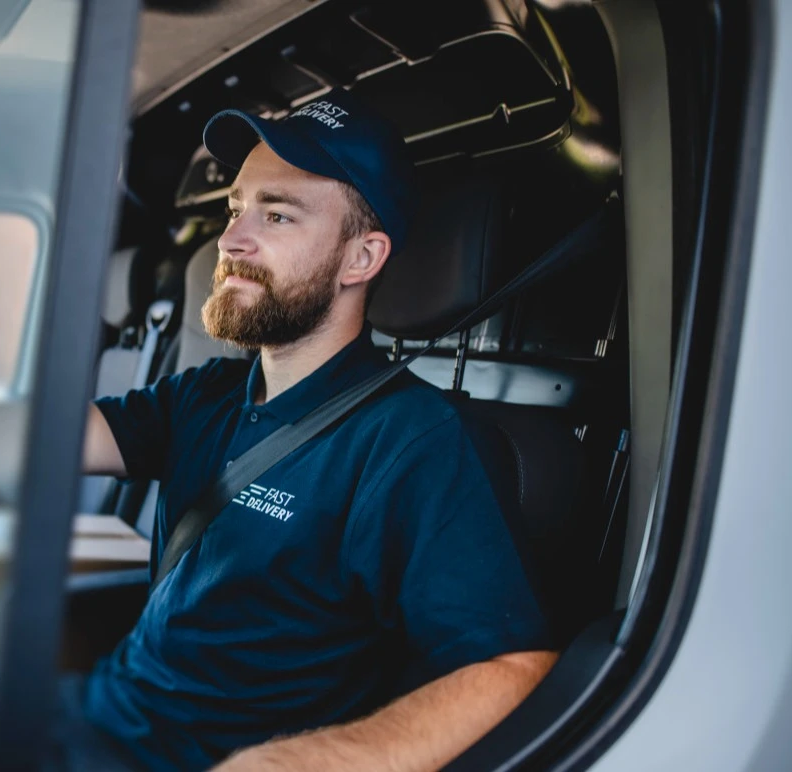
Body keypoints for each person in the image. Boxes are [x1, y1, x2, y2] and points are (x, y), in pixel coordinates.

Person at [68, 89, 557, 771]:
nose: (231, 238)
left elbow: (512, 666)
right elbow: (59, 439)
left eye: (277, 214)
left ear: (360, 259)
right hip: (90, 719)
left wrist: (296, 765)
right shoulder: (210, 393)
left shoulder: (418, 440)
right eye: (237, 208)